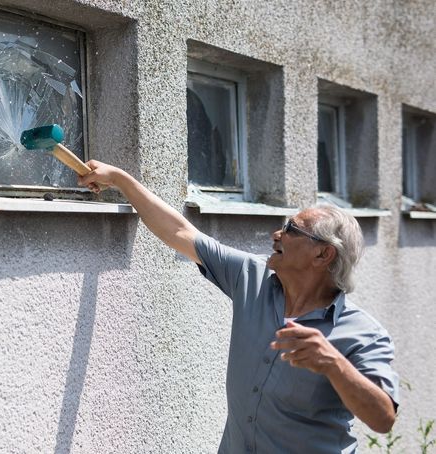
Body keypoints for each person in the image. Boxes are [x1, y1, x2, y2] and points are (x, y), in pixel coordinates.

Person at [78, 160, 399, 453]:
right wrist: (121, 180)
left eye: (291, 229)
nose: (277, 234)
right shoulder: (253, 278)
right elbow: (179, 232)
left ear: (322, 255)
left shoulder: (364, 334)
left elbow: (383, 418)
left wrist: (333, 364)